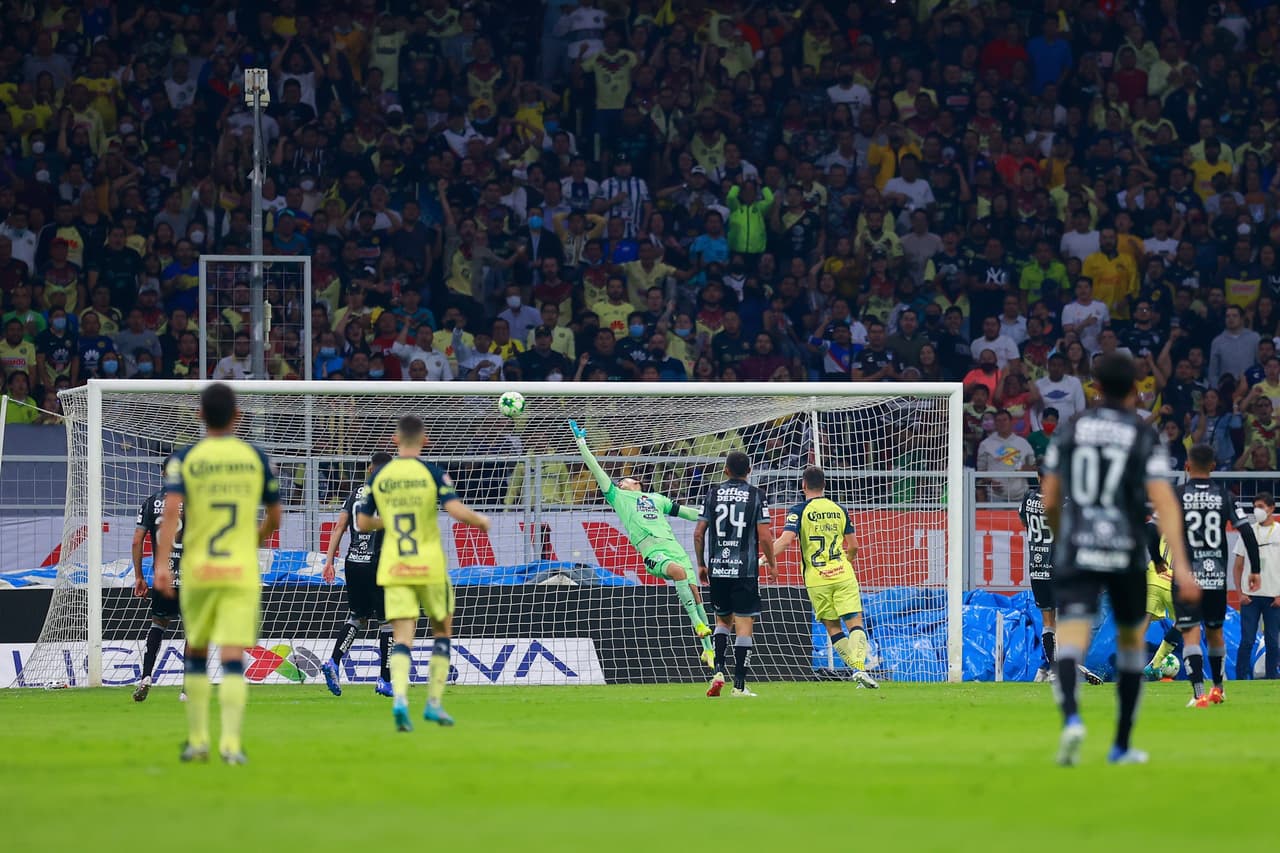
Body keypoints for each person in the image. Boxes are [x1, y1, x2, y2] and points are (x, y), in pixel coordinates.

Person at [1041, 354, 1198, 766]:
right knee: (1131, 644)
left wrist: (1063, 537)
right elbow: (1165, 503)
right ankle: (1121, 744)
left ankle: (1072, 720)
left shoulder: (1072, 429)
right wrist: (1181, 566)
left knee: (1072, 635)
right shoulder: (1141, 435)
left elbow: (1051, 497)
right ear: (1135, 389)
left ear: (1095, 387)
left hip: (1078, 544)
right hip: (1126, 548)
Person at [154, 384, 282, 765]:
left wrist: (161, 565)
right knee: (231, 655)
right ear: (238, 416)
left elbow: (171, 514)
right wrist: (253, 541)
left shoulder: (185, 459)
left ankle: (197, 741)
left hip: (198, 570)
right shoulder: (255, 458)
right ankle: (230, 744)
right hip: (239, 569)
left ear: (199, 416)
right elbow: (275, 517)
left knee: (195, 647)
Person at [355, 415, 491, 731]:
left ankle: (400, 699)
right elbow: (455, 510)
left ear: (394, 439)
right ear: (425, 440)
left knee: (402, 637)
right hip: (429, 565)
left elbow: (362, 523)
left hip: (395, 565)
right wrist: (480, 521)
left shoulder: (379, 477)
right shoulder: (432, 472)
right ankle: (433, 703)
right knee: (442, 631)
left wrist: (384, 522)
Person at [570, 418, 714, 669]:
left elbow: (688, 513)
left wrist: (712, 512)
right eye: (623, 480)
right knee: (678, 574)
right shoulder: (618, 496)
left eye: (629, 479)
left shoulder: (656, 498)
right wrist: (582, 442)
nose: (625, 480)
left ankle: (708, 651)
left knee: (695, 592)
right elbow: (595, 469)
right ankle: (698, 625)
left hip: (673, 547)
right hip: (652, 551)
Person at [771, 466, 878, 690]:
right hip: (842, 573)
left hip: (817, 579)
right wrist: (845, 561)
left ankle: (857, 669)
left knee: (833, 628)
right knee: (855, 623)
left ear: (803, 485)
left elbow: (785, 541)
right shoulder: (839, 509)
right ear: (824, 485)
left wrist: (763, 559)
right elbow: (854, 546)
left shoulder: (799, 510)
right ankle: (860, 669)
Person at [1173, 445, 1261, 706]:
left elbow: (1154, 531)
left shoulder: (1177, 495)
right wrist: (1254, 569)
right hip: (1215, 574)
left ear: (1187, 465)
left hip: (1186, 576)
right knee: (1215, 632)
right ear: (1213, 465)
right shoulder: (1225, 496)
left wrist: (1156, 559)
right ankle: (1219, 688)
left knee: (1189, 632)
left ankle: (1199, 694)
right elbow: (1247, 532)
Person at [693, 452, 778, 698]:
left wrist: (701, 564)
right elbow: (764, 536)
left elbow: (699, 533)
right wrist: (772, 564)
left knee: (722, 622)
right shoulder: (757, 495)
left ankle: (718, 670)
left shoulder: (712, 493)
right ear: (749, 471)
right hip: (745, 569)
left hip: (718, 568)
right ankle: (739, 686)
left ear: (726, 470)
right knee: (743, 627)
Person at [320, 452, 395, 699]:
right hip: (377, 565)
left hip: (352, 563)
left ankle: (333, 661)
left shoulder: (354, 494)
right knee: (388, 623)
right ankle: (385, 680)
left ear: (369, 470)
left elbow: (340, 527)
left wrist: (329, 561)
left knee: (358, 618)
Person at [1018, 476, 1102, 685]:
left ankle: (1044, 668)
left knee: (1048, 622)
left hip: (1037, 568)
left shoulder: (1028, 498)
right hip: (1060, 568)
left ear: (1039, 477)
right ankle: (1057, 668)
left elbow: (1024, 522)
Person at [130, 458, 185, 703]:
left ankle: (146, 677)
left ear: (163, 474)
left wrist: (139, 576)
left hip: (162, 576)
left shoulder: (150, 502)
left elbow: (136, 541)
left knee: (158, 624)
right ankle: (187, 690)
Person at [1233, 491, 1280, 681]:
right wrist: (1239, 593)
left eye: (1261, 507)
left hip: (1274, 596)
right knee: (1247, 641)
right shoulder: (1247, 531)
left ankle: (1271, 678)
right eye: (1255, 507)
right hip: (1250, 597)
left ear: (1271, 509)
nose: (1257, 510)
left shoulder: (1279, 532)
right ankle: (1240, 678)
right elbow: (1237, 567)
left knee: (1272, 641)